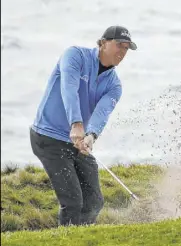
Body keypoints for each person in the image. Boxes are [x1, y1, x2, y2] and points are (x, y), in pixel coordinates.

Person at [30, 25, 137, 226]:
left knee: (94, 201)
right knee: (72, 202)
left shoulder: (114, 85)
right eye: (119, 46)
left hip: (78, 141)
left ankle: (80, 240)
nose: (122, 52)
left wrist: (91, 135)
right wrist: (76, 123)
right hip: (48, 137)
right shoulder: (75, 56)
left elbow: (101, 113)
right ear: (103, 43)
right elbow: (68, 89)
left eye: (126, 48)